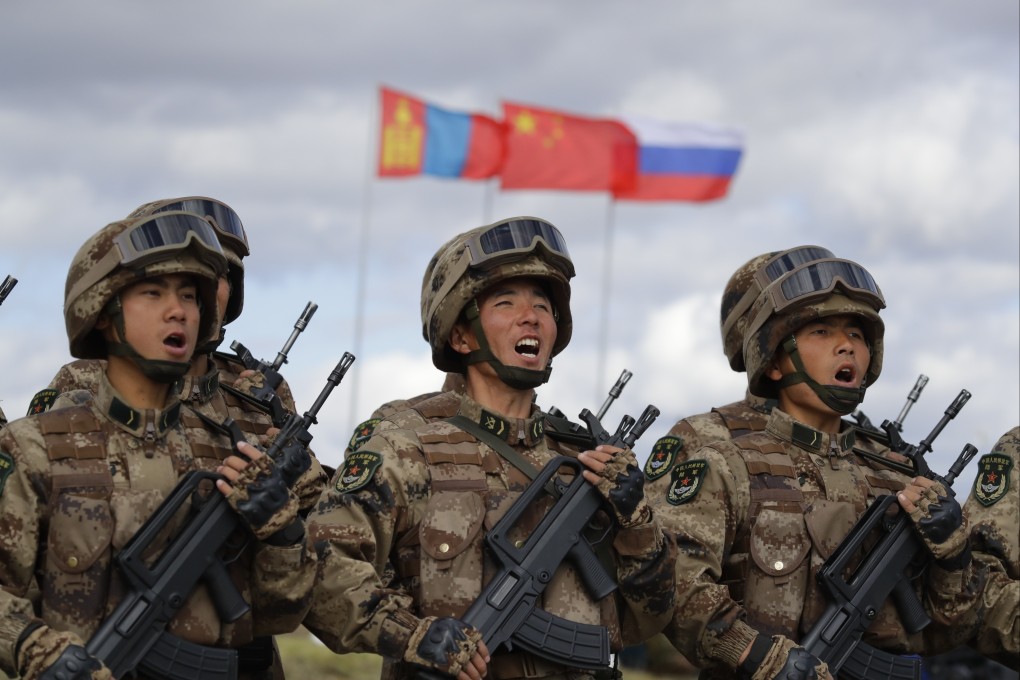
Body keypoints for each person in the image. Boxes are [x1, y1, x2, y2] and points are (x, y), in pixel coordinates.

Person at [304, 216, 676, 680]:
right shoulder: (406, 443)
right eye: (506, 302)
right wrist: (410, 636)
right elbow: (321, 568)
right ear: (461, 335)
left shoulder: (584, 460)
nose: (532, 317)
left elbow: (648, 618)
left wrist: (637, 521)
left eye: (543, 305)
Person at [0, 212, 314, 680]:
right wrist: (34, 649)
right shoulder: (37, 448)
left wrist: (282, 531)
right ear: (103, 312)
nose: (179, 311)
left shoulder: (229, 451)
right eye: (154, 293)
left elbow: (278, 616)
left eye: (189, 295)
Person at [655, 252, 980, 680]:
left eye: (856, 334)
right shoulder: (720, 454)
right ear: (772, 360)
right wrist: (759, 656)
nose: (846, 345)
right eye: (822, 331)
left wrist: (953, 554)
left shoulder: (894, 472)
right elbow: (673, 585)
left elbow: (946, 629)